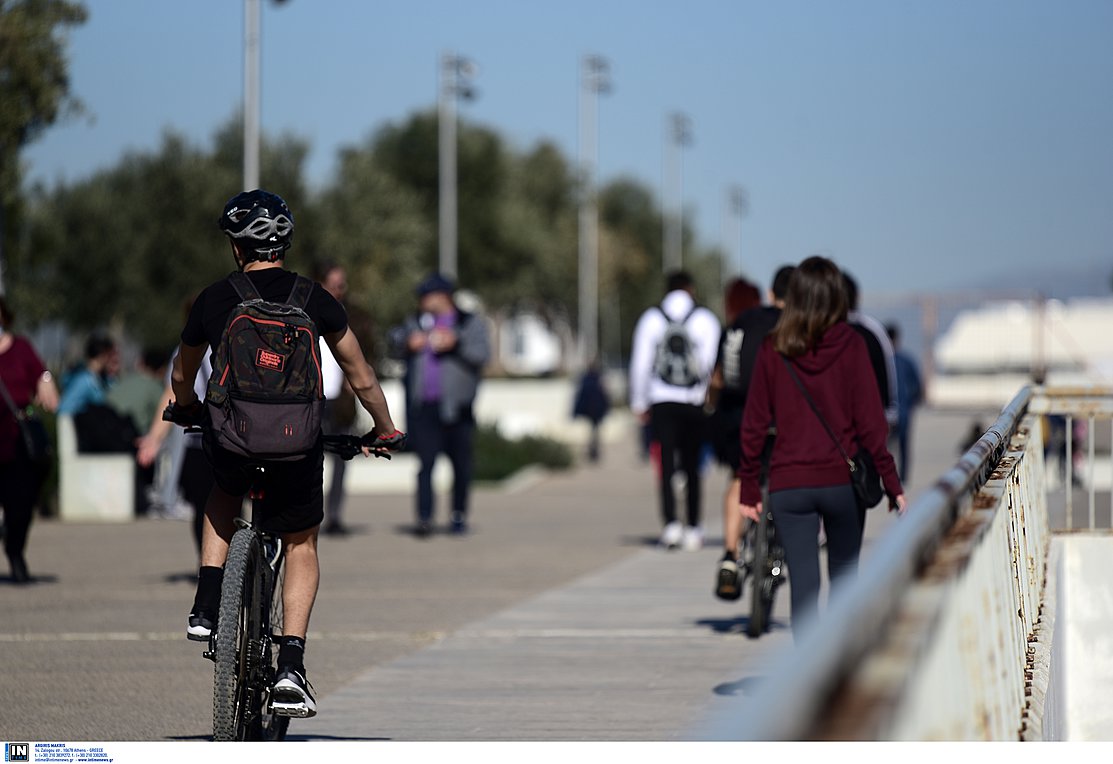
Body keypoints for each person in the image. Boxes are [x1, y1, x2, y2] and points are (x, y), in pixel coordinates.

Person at [165, 189, 404, 718]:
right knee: (300, 542)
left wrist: (185, 407)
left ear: (236, 247)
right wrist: (384, 429)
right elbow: (360, 374)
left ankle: (207, 604)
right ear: (285, 242)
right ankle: (291, 665)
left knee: (222, 491)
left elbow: (183, 371)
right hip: (297, 444)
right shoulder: (315, 299)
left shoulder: (216, 298)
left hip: (231, 436)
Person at [739, 256, 905, 640]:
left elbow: (754, 424)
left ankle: (807, 680)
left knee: (804, 588)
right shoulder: (852, 345)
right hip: (841, 485)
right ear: (836, 296)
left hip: (788, 485)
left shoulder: (773, 347)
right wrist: (891, 483)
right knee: (845, 585)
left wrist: (749, 484)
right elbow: (871, 425)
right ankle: (838, 679)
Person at [707, 266, 794, 598]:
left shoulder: (739, 324)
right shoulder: (797, 326)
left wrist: (712, 409)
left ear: (771, 294)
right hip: (781, 418)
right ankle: (782, 549)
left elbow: (718, 377)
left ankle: (730, 557)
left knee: (740, 477)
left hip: (737, 416)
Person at [388, 273, 490, 538]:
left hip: (458, 408)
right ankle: (424, 518)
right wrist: (408, 343)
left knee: (461, 465)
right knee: (425, 465)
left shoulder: (468, 322)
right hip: (425, 408)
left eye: (426, 296)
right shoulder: (416, 322)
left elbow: (482, 354)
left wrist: (456, 344)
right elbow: (394, 340)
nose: (421, 301)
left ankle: (458, 515)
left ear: (442, 296)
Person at [628, 270, 721, 551]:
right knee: (693, 466)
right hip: (693, 401)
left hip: (662, 400)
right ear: (691, 289)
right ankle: (693, 527)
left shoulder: (651, 318)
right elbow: (711, 363)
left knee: (666, 464)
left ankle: (670, 525)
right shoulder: (705, 319)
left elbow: (640, 364)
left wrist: (639, 401)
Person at [0, 297, 60, 584]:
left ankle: (15, 551)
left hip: (16, 440)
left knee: (20, 505)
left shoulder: (21, 347)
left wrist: (46, 380)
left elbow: (41, 374)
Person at [313, 262, 361, 536]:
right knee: (311, 461)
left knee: (341, 460)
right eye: (334, 284)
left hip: (340, 401)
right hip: (313, 399)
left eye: (342, 285)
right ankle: (312, 514)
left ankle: (335, 515)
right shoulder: (305, 311)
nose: (339, 290)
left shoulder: (352, 315)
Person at [108, 347, 169, 516]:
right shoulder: (155, 387)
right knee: (157, 443)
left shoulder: (125, 380)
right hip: (131, 438)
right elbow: (166, 417)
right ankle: (159, 495)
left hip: (107, 434)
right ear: (162, 369)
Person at [886, 323, 923, 483]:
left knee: (884, 447)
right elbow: (917, 386)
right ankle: (903, 478)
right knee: (903, 447)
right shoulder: (906, 360)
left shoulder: (882, 361)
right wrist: (911, 403)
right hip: (904, 412)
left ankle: (887, 476)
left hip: (886, 413)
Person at [57, 333, 118, 416]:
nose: (112, 359)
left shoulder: (101, 379)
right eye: (109, 355)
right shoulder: (85, 381)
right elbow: (64, 409)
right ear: (102, 355)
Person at [572, 361, 610, 463]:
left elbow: (581, 396)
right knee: (594, 430)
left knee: (593, 431)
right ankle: (593, 449)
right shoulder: (596, 379)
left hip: (593, 410)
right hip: (594, 410)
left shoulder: (590, 379)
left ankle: (593, 449)